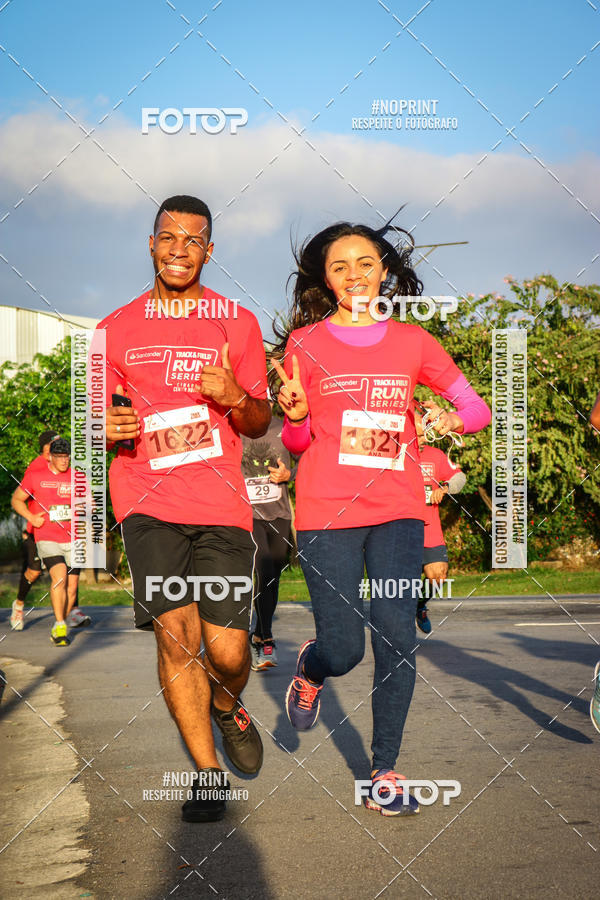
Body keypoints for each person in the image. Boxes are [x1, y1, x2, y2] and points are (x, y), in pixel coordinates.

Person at [271, 218, 490, 817]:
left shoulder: (414, 343)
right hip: (326, 509)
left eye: (365, 263)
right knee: (345, 649)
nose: (354, 275)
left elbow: (477, 408)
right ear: (326, 279)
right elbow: (296, 440)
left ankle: (384, 771)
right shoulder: (306, 344)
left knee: (395, 636)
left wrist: (446, 421)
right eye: (339, 266)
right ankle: (314, 667)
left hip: (397, 509)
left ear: (384, 271)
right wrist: (292, 413)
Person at [98, 195, 271, 823]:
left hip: (220, 505)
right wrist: (104, 425)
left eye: (193, 240)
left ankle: (228, 706)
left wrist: (234, 396)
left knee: (226, 651)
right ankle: (206, 774)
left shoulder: (238, 324)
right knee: (178, 639)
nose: (179, 249)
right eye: (168, 237)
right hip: (146, 500)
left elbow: (259, 420)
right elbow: (91, 421)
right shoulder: (112, 329)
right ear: (150, 243)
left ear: (209, 250)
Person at [10, 430, 91, 632]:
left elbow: (89, 502)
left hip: (70, 535)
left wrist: (85, 508)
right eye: (56, 450)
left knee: (67, 579)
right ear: (47, 450)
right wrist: (31, 518)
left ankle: (66, 616)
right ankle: (19, 605)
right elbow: (19, 498)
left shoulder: (75, 475)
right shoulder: (36, 469)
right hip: (39, 531)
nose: (64, 459)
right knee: (34, 572)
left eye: (67, 455)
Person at [242, 412, 295, 670]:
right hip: (248, 514)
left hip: (280, 513)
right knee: (262, 569)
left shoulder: (285, 427)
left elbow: (310, 458)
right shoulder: (235, 426)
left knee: (272, 577)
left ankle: (258, 634)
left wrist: (289, 475)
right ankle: (266, 639)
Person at [415, 412, 466, 634]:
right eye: (421, 424)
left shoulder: (435, 455)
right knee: (397, 584)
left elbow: (459, 477)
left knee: (438, 577)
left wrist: (444, 488)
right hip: (398, 529)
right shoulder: (393, 454)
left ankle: (418, 605)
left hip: (429, 528)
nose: (427, 429)